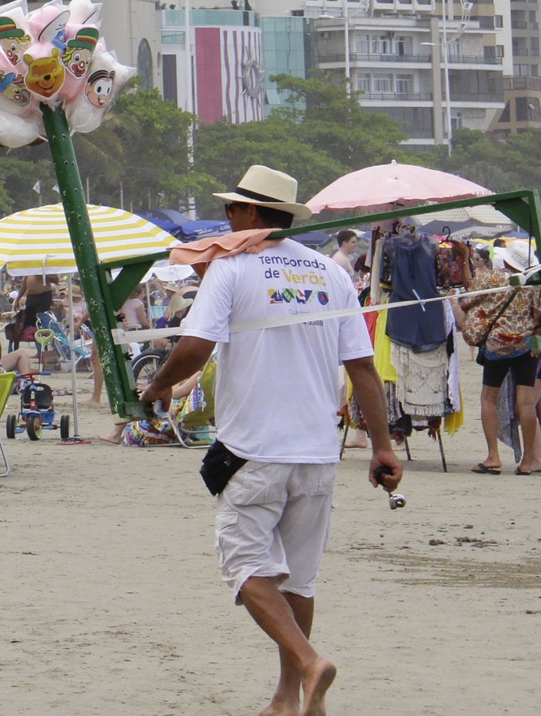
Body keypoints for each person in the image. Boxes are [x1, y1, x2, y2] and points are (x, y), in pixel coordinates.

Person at [136, 166, 400, 716]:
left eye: (233, 209)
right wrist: (382, 447)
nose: (226, 218)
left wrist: (156, 386)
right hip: (317, 452)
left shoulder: (232, 269)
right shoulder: (328, 270)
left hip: (254, 450)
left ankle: (308, 664)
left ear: (252, 215)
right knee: (298, 580)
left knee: (247, 569)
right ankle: (287, 697)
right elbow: (363, 371)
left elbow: (195, 346)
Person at [457, 246, 541, 475]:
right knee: (526, 403)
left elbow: (469, 292)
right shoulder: (533, 284)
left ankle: (493, 455)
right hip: (525, 346)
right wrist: (537, 333)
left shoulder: (494, 278)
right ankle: (527, 461)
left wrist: (465, 258)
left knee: (489, 398)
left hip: (497, 344)